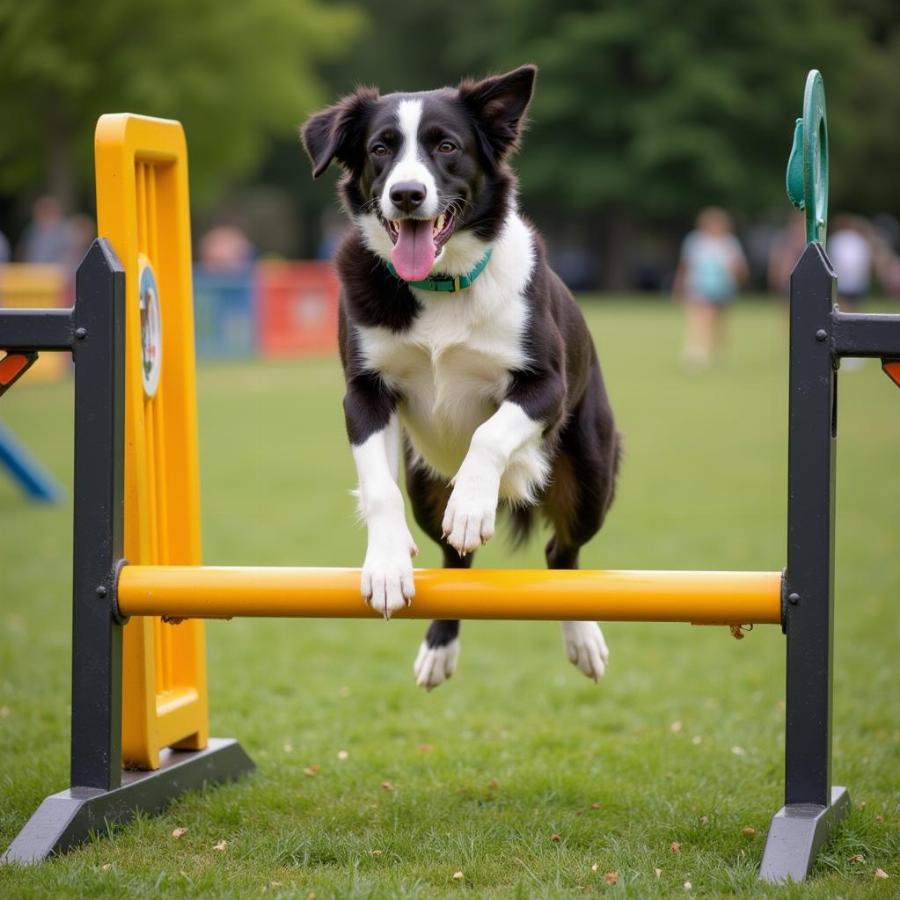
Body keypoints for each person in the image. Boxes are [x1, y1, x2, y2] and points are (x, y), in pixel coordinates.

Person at [673, 207, 748, 371]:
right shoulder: (695, 242)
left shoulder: (729, 243)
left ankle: (720, 354)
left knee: (720, 324)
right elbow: (686, 265)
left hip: (722, 288)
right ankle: (696, 354)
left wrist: (733, 273)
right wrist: (679, 286)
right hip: (699, 287)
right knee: (700, 320)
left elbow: (739, 268)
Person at [828, 215, 873, 312]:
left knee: (843, 304)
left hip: (842, 279)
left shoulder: (837, 238)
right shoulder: (860, 239)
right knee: (853, 305)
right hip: (857, 279)